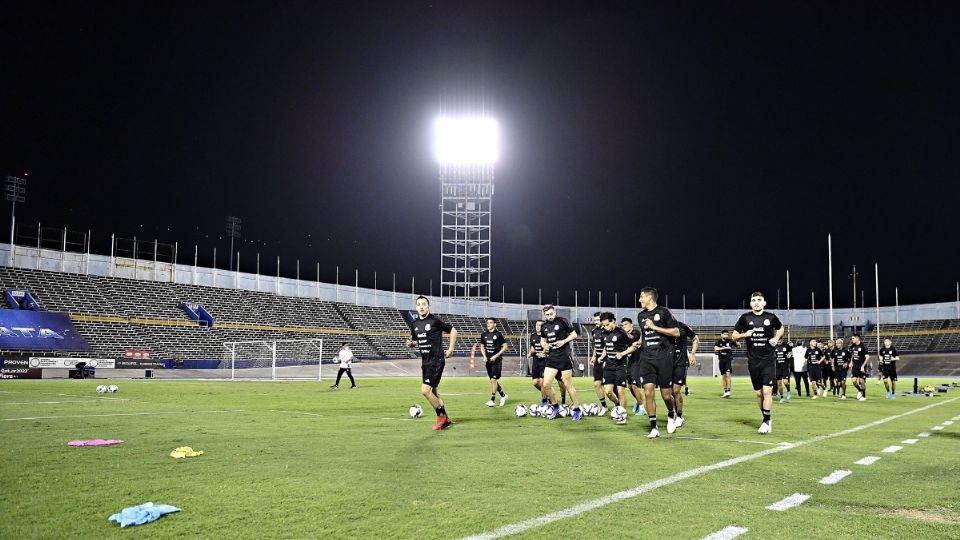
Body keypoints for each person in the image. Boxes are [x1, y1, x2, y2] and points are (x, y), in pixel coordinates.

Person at [732, 291, 784, 434]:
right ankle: (766, 418)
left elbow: (781, 328)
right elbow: (734, 336)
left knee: (767, 391)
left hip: (768, 359)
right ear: (750, 303)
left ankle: (766, 421)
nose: (756, 302)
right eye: (753, 300)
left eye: (759, 300)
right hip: (753, 361)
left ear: (764, 303)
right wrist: (745, 334)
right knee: (759, 394)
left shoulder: (770, 317)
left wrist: (776, 337)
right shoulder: (745, 317)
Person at [405, 296, 458, 431]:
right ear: (416, 307)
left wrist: (451, 349)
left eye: (424, 304)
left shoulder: (434, 321)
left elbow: (453, 330)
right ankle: (447, 418)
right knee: (433, 391)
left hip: (436, 360)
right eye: (419, 304)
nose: (421, 306)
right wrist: (411, 343)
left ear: (428, 306)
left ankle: (441, 417)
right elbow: (415, 340)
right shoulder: (415, 324)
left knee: (425, 391)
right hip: (425, 362)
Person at [635, 287, 681, 439]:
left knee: (666, 395)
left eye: (642, 297)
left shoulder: (664, 312)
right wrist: (638, 343)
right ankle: (653, 428)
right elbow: (645, 334)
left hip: (664, 357)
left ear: (650, 298)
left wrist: (655, 327)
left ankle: (671, 414)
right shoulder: (640, 315)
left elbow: (676, 332)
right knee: (648, 392)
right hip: (647, 358)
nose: (640, 300)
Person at [538, 305, 583, 420]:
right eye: (547, 315)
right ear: (544, 315)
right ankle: (555, 407)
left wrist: (563, 341)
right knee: (546, 384)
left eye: (551, 314)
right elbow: (542, 341)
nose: (550, 316)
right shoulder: (544, 326)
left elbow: (574, 334)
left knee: (568, 384)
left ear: (555, 312)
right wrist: (545, 345)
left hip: (564, 357)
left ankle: (577, 409)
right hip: (552, 358)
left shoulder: (563, 321)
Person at [598, 312, 637, 424]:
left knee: (620, 391)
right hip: (609, 366)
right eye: (603, 325)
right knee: (608, 392)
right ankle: (618, 405)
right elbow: (606, 347)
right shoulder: (603, 334)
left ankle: (622, 415)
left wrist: (623, 353)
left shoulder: (621, 333)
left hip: (620, 366)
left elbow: (634, 345)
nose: (605, 327)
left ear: (613, 321)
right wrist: (602, 356)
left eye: (606, 325)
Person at [672, 320, 698, 428]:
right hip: (666, 362)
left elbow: (695, 339)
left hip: (680, 362)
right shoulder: (662, 326)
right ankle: (673, 412)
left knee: (676, 390)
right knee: (668, 393)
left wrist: (692, 354)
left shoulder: (683, 326)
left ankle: (679, 416)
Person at [479, 318, 509, 407]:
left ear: (495, 324)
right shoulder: (484, 334)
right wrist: (484, 356)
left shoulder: (498, 334)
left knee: (493, 379)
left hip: (497, 360)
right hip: (488, 360)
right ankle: (503, 395)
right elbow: (482, 346)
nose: (488, 324)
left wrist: (496, 356)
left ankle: (492, 399)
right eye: (487, 323)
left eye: (491, 323)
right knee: (492, 381)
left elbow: (505, 347)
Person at [622, 317, 646, 416]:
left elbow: (631, 338)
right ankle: (637, 400)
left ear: (631, 325)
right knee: (630, 386)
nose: (624, 326)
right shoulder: (624, 336)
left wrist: (622, 333)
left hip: (638, 362)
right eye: (623, 325)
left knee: (635, 385)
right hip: (630, 363)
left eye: (626, 324)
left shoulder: (636, 332)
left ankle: (642, 408)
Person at [589, 312, 609, 415]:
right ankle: (604, 406)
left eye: (598, 320)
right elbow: (596, 346)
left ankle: (618, 405)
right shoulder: (593, 331)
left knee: (610, 387)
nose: (596, 322)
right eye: (595, 320)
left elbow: (606, 346)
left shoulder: (606, 331)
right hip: (598, 360)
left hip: (607, 359)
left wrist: (603, 358)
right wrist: (593, 356)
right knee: (597, 384)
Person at [848, 334, 870, 401]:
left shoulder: (863, 346)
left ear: (857, 338)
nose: (852, 339)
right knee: (854, 380)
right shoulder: (852, 346)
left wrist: (863, 366)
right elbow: (853, 355)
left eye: (853, 338)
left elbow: (867, 357)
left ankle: (863, 396)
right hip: (855, 366)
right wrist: (851, 362)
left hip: (861, 366)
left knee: (861, 381)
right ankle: (860, 390)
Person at [715, 330, 735, 397]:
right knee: (723, 377)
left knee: (728, 375)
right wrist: (724, 348)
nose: (726, 335)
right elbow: (715, 348)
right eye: (724, 334)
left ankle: (729, 391)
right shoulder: (718, 341)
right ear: (721, 335)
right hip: (721, 360)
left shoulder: (730, 341)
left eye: (727, 334)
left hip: (728, 360)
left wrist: (738, 344)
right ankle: (725, 391)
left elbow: (737, 345)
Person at [773, 338, 792, 403]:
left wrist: (790, 355)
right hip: (777, 368)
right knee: (779, 384)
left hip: (785, 367)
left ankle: (789, 390)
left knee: (785, 382)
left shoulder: (786, 345)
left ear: (782, 340)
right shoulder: (774, 346)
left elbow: (790, 352)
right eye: (778, 340)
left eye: (780, 340)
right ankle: (782, 397)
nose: (779, 341)